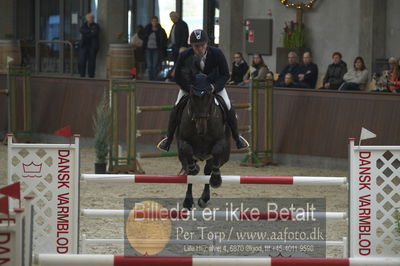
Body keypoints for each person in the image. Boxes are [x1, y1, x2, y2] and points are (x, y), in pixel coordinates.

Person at [157, 29, 249, 152]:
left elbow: (225, 75)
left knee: (228, 106)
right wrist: (188, 88)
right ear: (192, 46)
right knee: (177, 106)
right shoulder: (184, 55)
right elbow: (178, 76)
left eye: (202, 45)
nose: (199, 49)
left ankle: (237, 138)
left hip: (212, 87)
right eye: (196, 46)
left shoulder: (217, 53)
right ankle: (168, 139)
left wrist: (215, 87)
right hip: (191, 88)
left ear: (206, 44)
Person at [141, 16, 167, 80]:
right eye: (153, 21)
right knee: (149, 65)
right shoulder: (147, 29)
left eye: (155, 21)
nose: (154, 22)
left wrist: (162, 47)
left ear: (157, 22)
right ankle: (150, 78)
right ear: (151, 22)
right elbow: (141, 34)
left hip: (156, 49)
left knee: (155, 65)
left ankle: (154, 78)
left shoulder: (160, 30)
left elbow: (165, 39)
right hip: (148, 49)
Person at [78, 13, 99, 78]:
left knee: (91, 62)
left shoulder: (96, 25)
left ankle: (91, 76)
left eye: (92, 18)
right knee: (82, 61)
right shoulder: (84, 25)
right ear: (86, 19)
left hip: (92, 46)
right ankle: (82, 75)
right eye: (89, 18)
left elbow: (94, 33)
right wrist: (90, 31)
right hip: (84, 46)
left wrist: (86, 32)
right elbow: (81, 30)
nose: (90, 19)